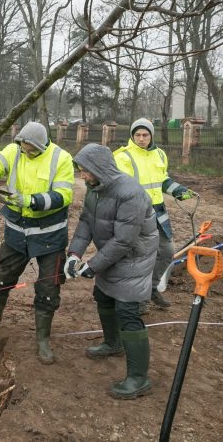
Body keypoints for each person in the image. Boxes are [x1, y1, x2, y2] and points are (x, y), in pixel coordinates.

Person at [0, 121, 74, 364]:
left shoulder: (62, 158)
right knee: (3, 277)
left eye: (31, 149)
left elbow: (64, 195)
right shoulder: (14, 150)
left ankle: (42, 339)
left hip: (50, 234)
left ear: (41, 145)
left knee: (49, 288)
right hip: (17, 231)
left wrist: (31, 201)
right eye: (24, 147)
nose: (26, 152)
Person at [65, 143, 158, 399]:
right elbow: (86, 222)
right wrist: (74, 254)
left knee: (127, 311)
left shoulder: (131, 193)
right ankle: (113, 343)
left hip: (134, 258)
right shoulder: (95, 189)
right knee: (103, 296)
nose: (81, 176)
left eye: (85, 171)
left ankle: (139, 378)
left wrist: (93, 266)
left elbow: (125, 241)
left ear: (99, 168)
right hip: (111, 254)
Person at [113, 118, 195, 310]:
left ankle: (151, 288)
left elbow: (162, 179)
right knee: (140, 257)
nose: (141, 139)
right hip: (135, 214)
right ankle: (137, 300)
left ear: (151, 136)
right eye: (138, 135)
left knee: (167, 252)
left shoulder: (159, 154)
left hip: (158, 212)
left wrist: (178, 190)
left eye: (145, 135)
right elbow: (120, 187)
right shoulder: (122, 156)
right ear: (132, 136)